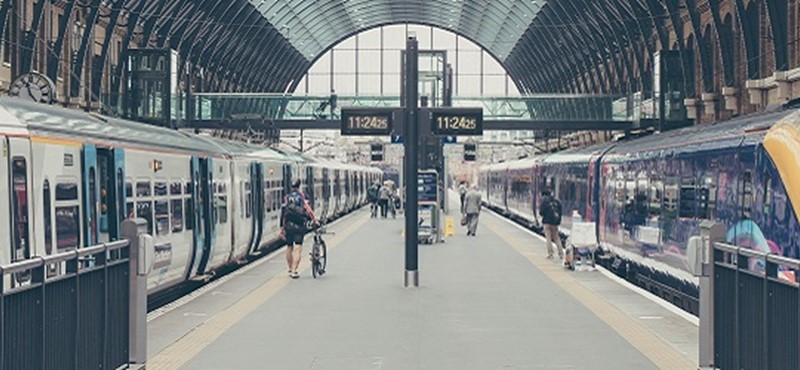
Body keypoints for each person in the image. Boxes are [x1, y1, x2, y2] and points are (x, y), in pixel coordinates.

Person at [280, 179, 317, 279]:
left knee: (289, 247)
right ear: (299, 185)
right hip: (299, 225)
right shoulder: (303, 196)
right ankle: (294, 270)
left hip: (288, 225)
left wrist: (282, 227)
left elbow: (283, 213)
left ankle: (289, 268)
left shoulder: (286, 197)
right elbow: (308, 210)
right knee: (298, 248)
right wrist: (314, 220)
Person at [539, 189, 564, 260]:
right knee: (557, 238)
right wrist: (558, 222)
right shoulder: (557, 201)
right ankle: (561, 254)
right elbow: (561, 212)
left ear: (544, 195)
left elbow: (541, 212)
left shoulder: (544, 202)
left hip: (547, 223)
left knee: (548, 238)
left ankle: (550, 254)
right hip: (555, 223)